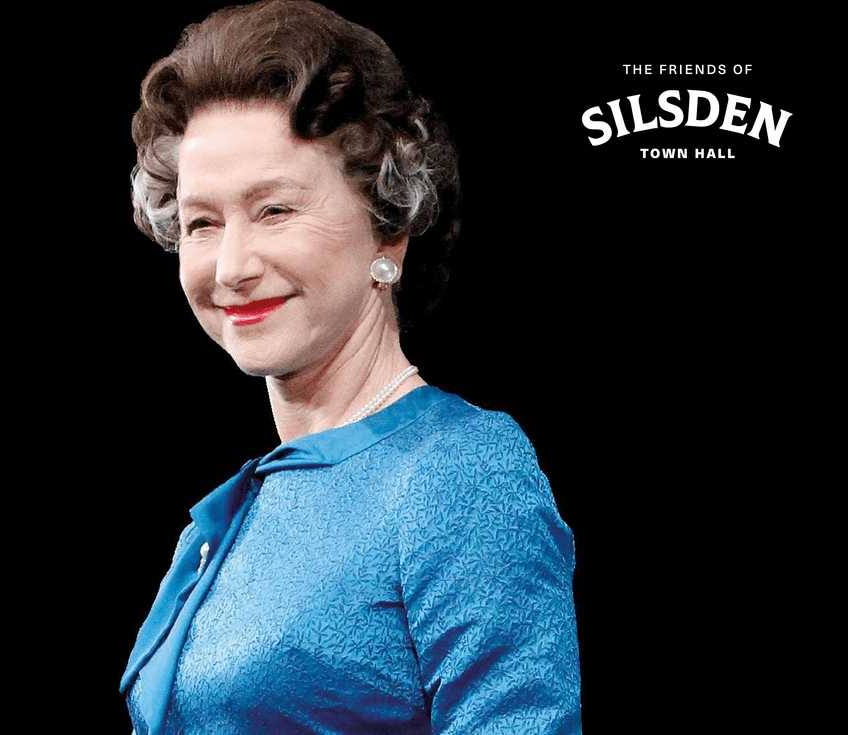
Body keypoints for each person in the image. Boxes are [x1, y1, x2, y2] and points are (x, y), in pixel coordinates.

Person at [119, 2, 580, 733]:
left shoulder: (460, 473)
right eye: (202, 222)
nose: (231, 267)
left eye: (274, 210)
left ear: (388, 228)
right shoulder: (235, 515)